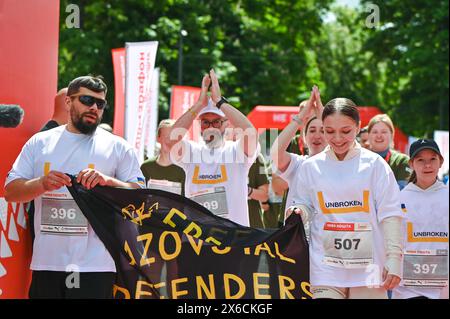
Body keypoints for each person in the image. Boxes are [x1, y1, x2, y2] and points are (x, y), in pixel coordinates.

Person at [4, 75, 145, 299]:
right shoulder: (40, 142)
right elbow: (11, 192)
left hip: (95, 264)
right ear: (69, 102)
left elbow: (139, 197)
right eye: (87, 100)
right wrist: (41, 183)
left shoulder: (118, 147)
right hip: (47, 262)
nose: (94, 108)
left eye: (100, 104)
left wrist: (108, 182)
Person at [288, 97, 403, 299]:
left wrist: (394, 258)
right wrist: (298, 211)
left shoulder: (375, 165)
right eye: (330, 131)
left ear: (358, 127)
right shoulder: (310, 167)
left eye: (346, 131)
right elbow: (303, 203)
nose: (338, 139)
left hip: (368, 269)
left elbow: (390, 213)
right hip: (326, 268)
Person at [168, 69, 259, 227]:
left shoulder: (235, 152)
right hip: (199, 242)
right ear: (200, 126)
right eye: (205, 122)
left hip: (233, 241)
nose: (211, 127)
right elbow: (172, 139)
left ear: (226, 123)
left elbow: (250, 132)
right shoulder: (192, 152)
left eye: (216, 121)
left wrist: (220, 102)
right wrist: (198, 105)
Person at [393, 139, 449, 299]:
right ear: (411, 164)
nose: (427, 165)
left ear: (441, 162)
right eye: (420, 160)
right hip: (408, 289)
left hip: (443, 289)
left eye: (432, 159)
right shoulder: (399, 198)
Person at [271, 86, 327, 225]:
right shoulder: (298, 163)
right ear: (305, 137)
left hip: (327, 235)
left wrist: (323, 113)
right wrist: (302, 116)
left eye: (323, 130)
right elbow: (276, 152)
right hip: (298, 237)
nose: (317, 135)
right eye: (312, 130)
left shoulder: (339, 164)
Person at [141, 119, 186, 196]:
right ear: (158, 138)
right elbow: (140, 197)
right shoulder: (146, 167)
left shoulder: (184, 169)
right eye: (166, 137)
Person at [368, 114, 411, 189]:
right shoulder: (359, 160)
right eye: (375, 132)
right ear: (368, 135)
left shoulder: (401, 160)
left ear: (392, 135)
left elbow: (402, 190)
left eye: (384, 132)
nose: (379, 136)